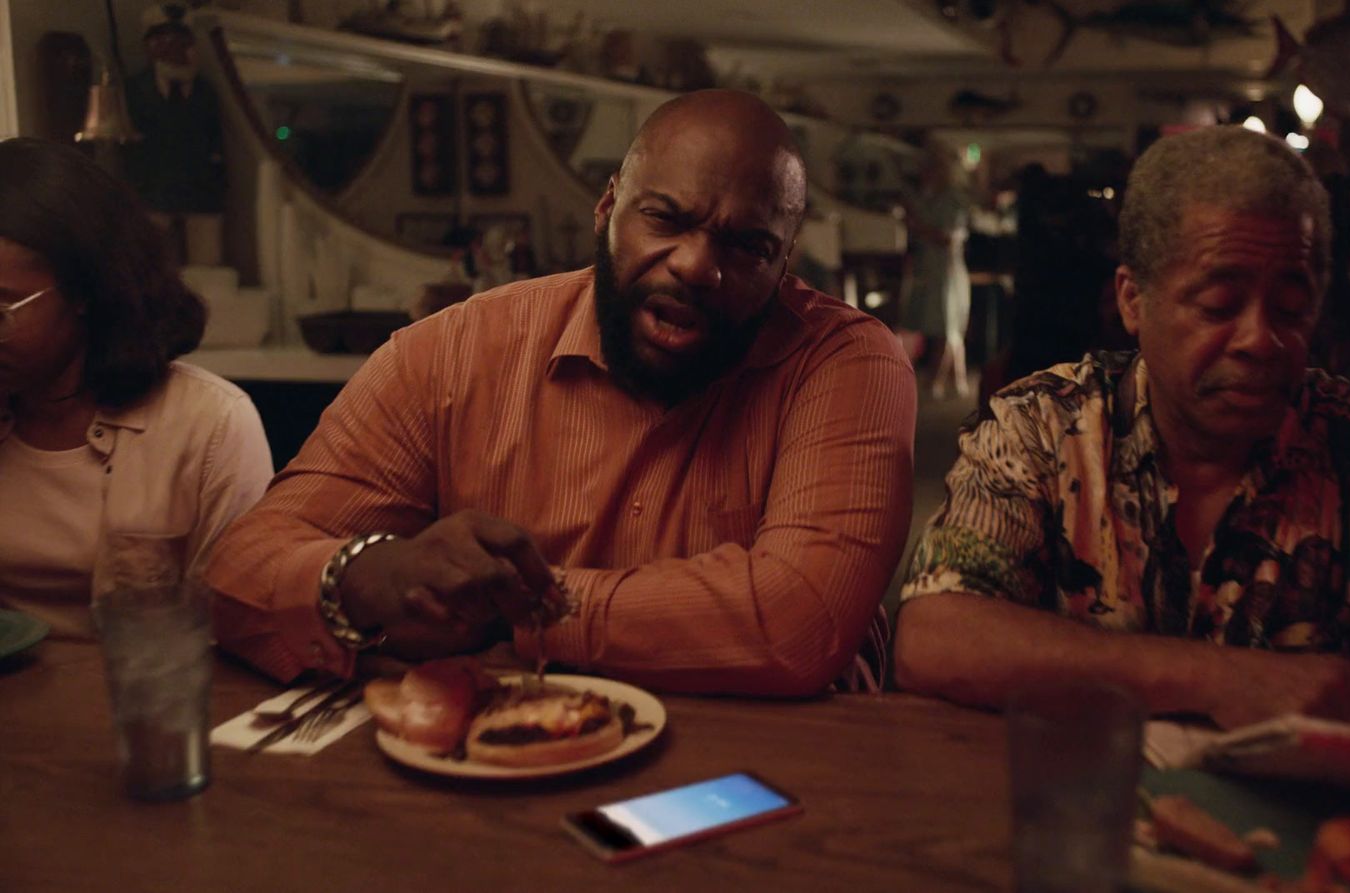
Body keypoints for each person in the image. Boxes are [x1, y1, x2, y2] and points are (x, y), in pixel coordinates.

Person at [895, 126, 1350, 828]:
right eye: (1219, 304)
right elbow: (935, 633)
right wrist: (1221, 677)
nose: (1263, 338)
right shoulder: (1042, 425)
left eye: (1290, 307)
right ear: (1133, 300)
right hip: (1080, 833)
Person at [206, 90, 916, 697]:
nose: (699, 266)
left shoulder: (843, 361)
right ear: (607, 210)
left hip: (771, 780)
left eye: (747, 246)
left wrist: (524, 611)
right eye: (665, 218)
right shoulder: (451, 353)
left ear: (785, 262)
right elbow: (235, 573)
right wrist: (363, 575)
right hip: (500, 769)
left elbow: (800, 621)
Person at [0, 137, 272, 637]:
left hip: (150, 703)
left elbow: (246, 628)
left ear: (83, 291)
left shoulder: (208, 426)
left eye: (2, 311)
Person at [123, 3, 226, 266]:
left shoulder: (206, 94)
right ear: (150, 47)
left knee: (208, 268)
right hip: (153, 197)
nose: (174, 50)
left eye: (181, 42)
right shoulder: (134, 92)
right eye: (164, 41)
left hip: (200, 198)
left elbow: (216, 147)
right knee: (154, 267)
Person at [901, 151, 972, 400]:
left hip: (946, 272)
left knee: (947, 327)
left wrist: (917, 225)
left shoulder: (952, 200)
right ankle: (954, 381)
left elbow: (948, 238)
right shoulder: (927, 198)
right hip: (929, 270)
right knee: (944, 327)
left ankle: (936, 383)